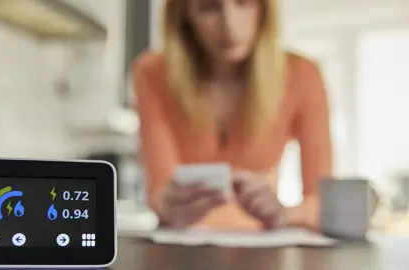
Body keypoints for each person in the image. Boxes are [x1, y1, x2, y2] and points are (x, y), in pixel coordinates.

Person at [133, 0, 332, 231]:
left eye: (244, 3)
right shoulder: (152, 74)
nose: (230, 25)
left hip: (263, 247)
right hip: (183, 245)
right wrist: (168, 205)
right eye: (209, 8)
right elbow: (159, 191)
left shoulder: (303, 74)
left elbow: (323, 202)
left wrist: (284, 213)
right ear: (184, 15)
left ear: (264, 9)